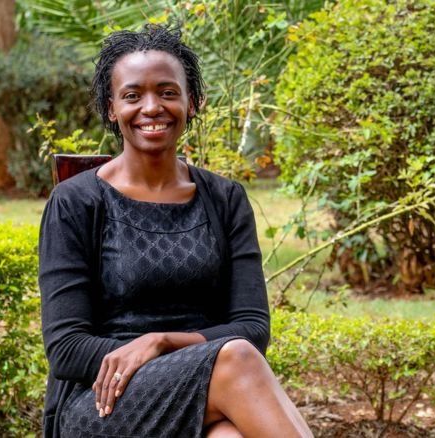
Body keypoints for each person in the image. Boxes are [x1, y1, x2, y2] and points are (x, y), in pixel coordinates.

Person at [38, 24, 312, 438]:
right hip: (103, 399)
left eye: (167, 92)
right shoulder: (76, 202)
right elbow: (66, 348)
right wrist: (160, 355)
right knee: (236, 357)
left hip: (212, 381)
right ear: (112, 108)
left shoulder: (224, 199)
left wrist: (163, 340)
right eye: (133, 95)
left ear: (192, 102)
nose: (151, 107)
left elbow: (253, 326)